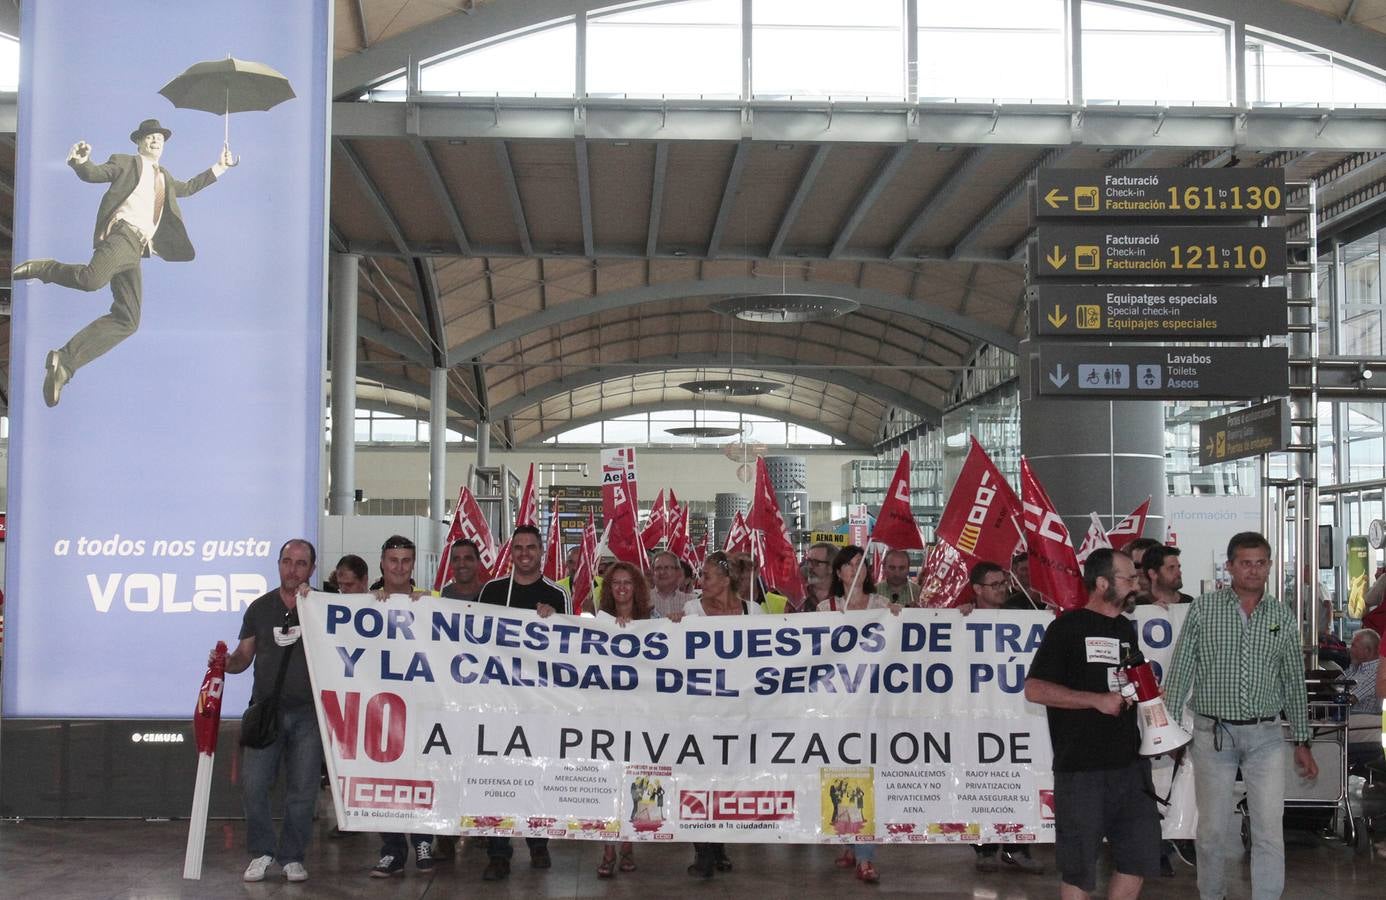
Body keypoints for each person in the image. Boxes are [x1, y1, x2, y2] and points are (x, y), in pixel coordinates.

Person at [14, 120, 235, 407]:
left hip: (137, 250)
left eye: (160, 138)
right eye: (150, 137)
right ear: (139, 142)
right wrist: (81, 163)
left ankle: (65, 363)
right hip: (123, 235)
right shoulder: (126, 162)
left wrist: (220, 167)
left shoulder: (164, 177)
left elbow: (189, 188)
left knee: (128, 319)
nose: (156, 141)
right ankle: (45, 268)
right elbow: (95, 173)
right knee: (91, 280)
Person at [1164, 531, 1318, 900]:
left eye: (1261, 562)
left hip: (1266, 736)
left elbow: (1294, 681)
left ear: (1269, 566)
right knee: (1212, 832)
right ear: (1229, 566)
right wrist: (1167, 733)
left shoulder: (1281, 615)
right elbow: (1181, 670)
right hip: (1212, 734)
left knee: (1269, 831)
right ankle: (1212, 895)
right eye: (1245, 563)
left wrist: (1303, 739)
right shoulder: (1204, 609)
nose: (1253, 570)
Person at [1024, 548, 1159, 900]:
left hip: (1130, 766)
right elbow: (1034, 689)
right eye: (1128, 578)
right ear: (1102, 584)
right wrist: (1095, 700)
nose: (1135, 585)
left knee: (1138, 858)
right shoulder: (1066, 628)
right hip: (1082, 770)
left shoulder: (1125, 630)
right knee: (1079, 867)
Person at [215, 539, 321, 884]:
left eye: (301, 563)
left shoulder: (322, 607)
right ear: (278, 564)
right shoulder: (259, 609)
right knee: (254, 784)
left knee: (303, 789)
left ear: (312, 569)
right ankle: (262, 851)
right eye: (287, 561)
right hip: (265, 713)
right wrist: (223, 664)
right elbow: (243, 657)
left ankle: (292, 856)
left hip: (309, 714)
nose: (293, 569)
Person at [477, 524, 568, 880]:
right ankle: (499, 852)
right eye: (519, 548)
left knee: (537, 773)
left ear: (541, 552)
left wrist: (556, 620)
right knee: (498, 775)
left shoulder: (557, 594)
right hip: (499, 700)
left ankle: (538, 842)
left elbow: (571, 646)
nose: (525, 553)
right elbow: (474, 636)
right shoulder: (493, 590)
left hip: (539, 703)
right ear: (510, 553)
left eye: (531, 547)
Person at [964, 561, 1045, 875]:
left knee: (1018, 775)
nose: (1002, 588)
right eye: (995, 584)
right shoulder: (963, 617)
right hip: (976, 713)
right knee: (980, 778)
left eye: (1004, 582)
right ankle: (984, 846)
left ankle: (1016, 846)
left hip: (1015, 713)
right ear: (978, 589)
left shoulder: (1024, 614)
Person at [682, 551, 753, 877]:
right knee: (699, 778)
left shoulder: (754, 612)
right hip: (700, 712)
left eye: (707, 576)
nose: (701, 582)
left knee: (728, 781)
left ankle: (720, 845)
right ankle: (704, 851)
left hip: (739, 713)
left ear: (726, 580)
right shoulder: (692, 611)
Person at [369, 535, 433, 877]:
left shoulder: (427, 603)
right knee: (386, 778)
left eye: (405, 561)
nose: (398, 567)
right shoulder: (366, 605)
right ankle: (392, 850)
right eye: (393, 560)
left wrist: (426, 609)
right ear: (382, 563)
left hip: (420, 707)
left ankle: (423, 841)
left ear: (413, 564)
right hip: (381, 707)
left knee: (420, 774)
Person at [594, 562, 651, 877]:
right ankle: (607, 850)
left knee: (634, 783)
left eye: (627, 582)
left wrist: (674, 624)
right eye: (615, 582)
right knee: (608, 783)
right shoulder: (598, 623)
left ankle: (628, 846)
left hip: (640, 717)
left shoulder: (651, 624)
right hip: (607, 716)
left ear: (637, 587)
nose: (621, 588)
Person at [1138, 545, 1193, 609]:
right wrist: (1150, 612)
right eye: (1171, 568)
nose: (1179, 572)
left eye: (1178, 567)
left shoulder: (1190, 603)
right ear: (1153, 574)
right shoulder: (1138, 605)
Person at [649, 550, 694, 618]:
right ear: (652, 572)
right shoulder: (642, 601)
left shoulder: (691, 602)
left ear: (678, 572)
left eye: (667, 568)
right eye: (658, 568)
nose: (662, 572)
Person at [1345, 628, 1381, 715]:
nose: (1350, 650)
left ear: (1367, 651)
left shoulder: (1376, 673)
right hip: (1347, 719)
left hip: (1362, 723)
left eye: (1354, 646)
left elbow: (1350, 699)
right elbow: (1336, 685)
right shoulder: (1356, 667)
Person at [802, 541, 837, 611]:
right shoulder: (800, 595)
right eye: (808, 561)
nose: (809, 566)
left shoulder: (843, 596)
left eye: (816, 563)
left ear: (831, 567)